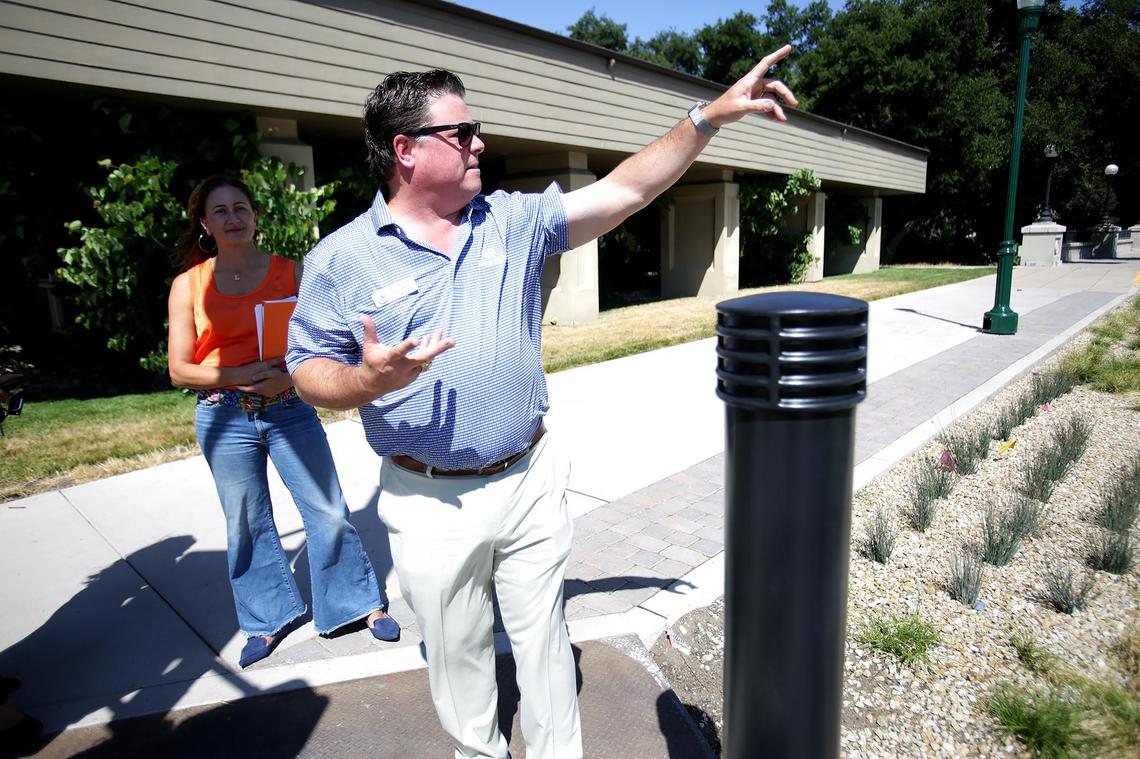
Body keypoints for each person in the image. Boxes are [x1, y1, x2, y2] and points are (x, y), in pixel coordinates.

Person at [286, 45, 797, 758]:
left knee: (547, 646)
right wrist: (366, 381)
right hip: (427, 499)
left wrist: (705, 118)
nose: (479, 143)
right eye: (461, 133)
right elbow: (308, 368)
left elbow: (627, 191)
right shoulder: (341, 259)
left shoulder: (512, 220)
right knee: (459, 661)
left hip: (528, 476)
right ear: (405, 150)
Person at [166, 175, 400, 669]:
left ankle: (357, 604)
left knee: (328, 509)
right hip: (223, 415)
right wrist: (241, 374)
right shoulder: (188, 285)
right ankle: (266, 619)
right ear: (205, 224)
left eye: (240, 208)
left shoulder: (292, 274)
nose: (233, 218)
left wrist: (286, 378)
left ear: (254, 216)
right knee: (246, 522)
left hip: (289, 407)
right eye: (221, 211)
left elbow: (322, 342)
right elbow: (180, 368)